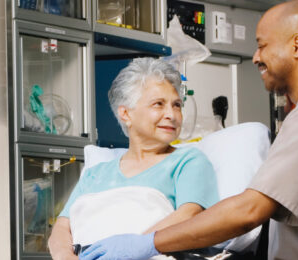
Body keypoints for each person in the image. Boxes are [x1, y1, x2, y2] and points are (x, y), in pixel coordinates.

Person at [80, 1, 298, 259]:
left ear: (297, 46)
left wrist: (148, 243)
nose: (256, 57)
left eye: (262, 46)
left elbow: (249, 211)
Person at [47, 58, 220, 260]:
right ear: (126, 114)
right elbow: (61, 228)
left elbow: (190, 217)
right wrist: (64, 256)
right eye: (158, 104)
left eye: (177, 105)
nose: (171, 115)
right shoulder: (96, 173)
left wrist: (133, 248)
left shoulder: (188, 161)